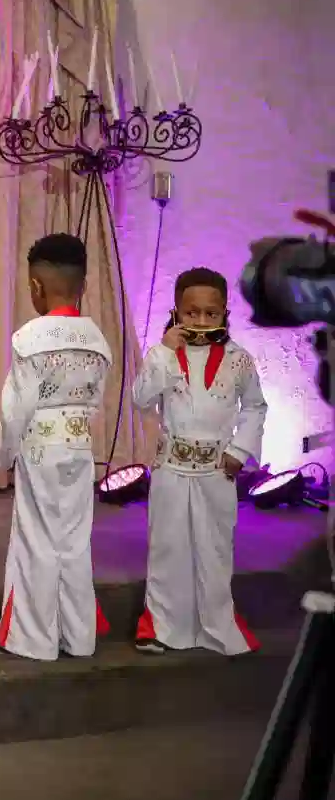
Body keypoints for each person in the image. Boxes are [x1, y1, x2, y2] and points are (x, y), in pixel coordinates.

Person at [132, 268, 267, 655]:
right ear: (176, 312)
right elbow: (141, 400)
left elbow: (255, 408)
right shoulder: (162, 354)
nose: (202, 321)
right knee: (167, 548)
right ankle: (161, 627)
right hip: (171, 469)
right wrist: (161, 352)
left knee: (215, 549)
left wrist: (239, 452)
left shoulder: (240, 360)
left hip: (217, 470)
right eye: (192, 313)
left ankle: (215, 625)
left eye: (212, 313)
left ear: (225, 313)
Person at [0, 234, 112, 661]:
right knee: (75, 541)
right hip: (79, 447)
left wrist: (3, 455)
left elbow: (17, 406)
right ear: (81, 284)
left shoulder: (30, 338)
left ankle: (33, 639)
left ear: (36, 287)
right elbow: (96, 399)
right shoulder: (97, 339)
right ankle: (79, 637)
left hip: (40, 448)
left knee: (37, 540)